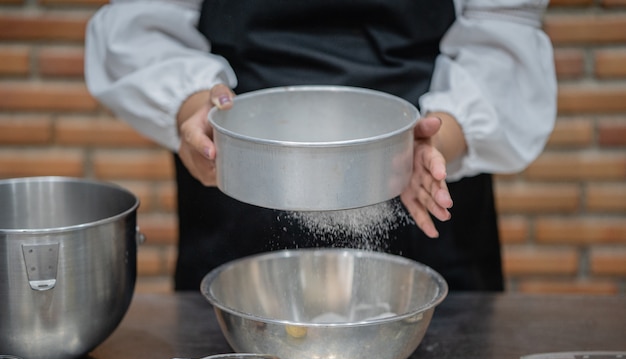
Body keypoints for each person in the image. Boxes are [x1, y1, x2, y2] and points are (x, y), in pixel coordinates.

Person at [84, 0, 557, 291]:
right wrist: (194, 108)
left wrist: (438, 138)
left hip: (418, 171)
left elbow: (504, 28)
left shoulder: (426, 151)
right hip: (244, 169)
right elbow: (142, 23)